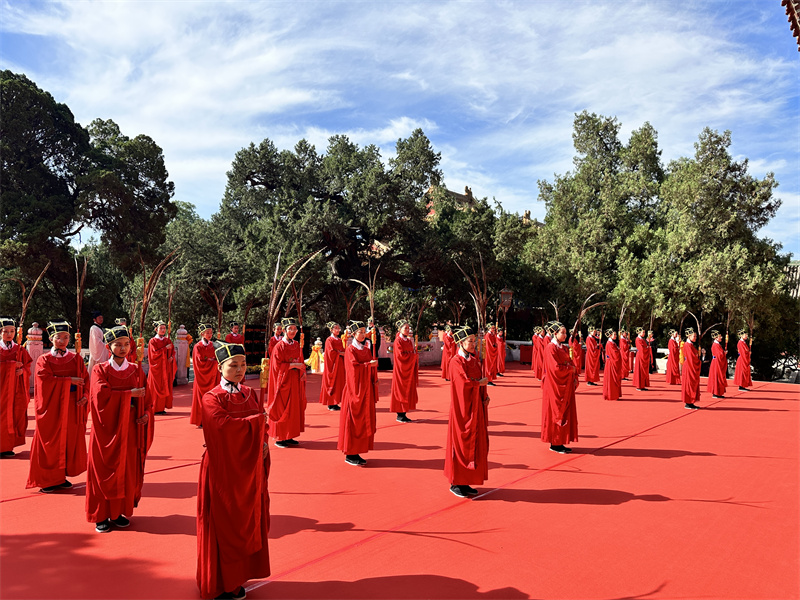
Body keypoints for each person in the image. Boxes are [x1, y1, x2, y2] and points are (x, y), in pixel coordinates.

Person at [197, 343, 270, 600]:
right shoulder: (211, 397)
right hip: (222, 470)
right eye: (233, 365)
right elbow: (222, 427)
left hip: (248, 471)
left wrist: (263, 442)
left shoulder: (250, 393)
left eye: (242, 364)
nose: (239, 370)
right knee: (222, 523)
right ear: (220, 368)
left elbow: (262, 428)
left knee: (245, 521)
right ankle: (218, 583)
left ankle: (238, 577)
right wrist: (259, 422)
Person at [86, 325, 152, 533]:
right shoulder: (101, 369)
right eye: (118, 345)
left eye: (126, 344)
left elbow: (147, 398)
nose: (123, 348)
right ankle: (102, 515)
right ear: (109, 347)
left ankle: (120, 511)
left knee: (127, 467)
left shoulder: (135, 369)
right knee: (104, 468)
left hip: (131, 428)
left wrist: (146, 415)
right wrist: (129, 395)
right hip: (108, 429)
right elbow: (99, 398)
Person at [27, 321, 89, 493]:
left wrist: (84, 396)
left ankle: (61, 476)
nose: (62, 340)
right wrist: (69, 381)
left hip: (70, 407)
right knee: (51, 441)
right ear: (51, 338)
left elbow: (86, 380)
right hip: (52, 408)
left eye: (66, 337)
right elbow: (44, 382)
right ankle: (47, 480)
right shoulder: (44, 360)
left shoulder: (75, 359)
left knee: (67, 440)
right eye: (58, 337)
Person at [445, 326, 489, 498]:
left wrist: (484, 396)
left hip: (476, 406)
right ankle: (456, 482)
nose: (473, 344)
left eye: (474, 341)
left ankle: (466, 481)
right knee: (461, 443)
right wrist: (479, 385)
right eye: (470, 341)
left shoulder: (473, 360)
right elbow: (463, 384)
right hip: (462, 410)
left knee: (475, 443)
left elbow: (479, 380)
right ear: (461, 343)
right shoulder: (456, 362)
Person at [338, 321, 378, 466]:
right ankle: (350, 453)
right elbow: (353, 371)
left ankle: (358, 451)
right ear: (354, 334)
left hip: (366, 390)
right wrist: (369, 365)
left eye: (363, 331)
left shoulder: (366, 349)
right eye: (360, 332)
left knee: (363, 421)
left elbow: (369, 367)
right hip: (355, 391)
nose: (363, 334)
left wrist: (373, 373)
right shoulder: (350, 350)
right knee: (354, 421)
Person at [267, 317, 306, 448]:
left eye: (295, 329)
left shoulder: (296, 345)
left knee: (293, 408)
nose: (293, 331)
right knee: (283, 408)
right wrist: (292, 365)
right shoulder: (279, 346)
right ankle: (280, 437)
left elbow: (301, 361)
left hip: (294, 381)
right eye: (290, 329)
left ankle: (289, 435)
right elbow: (277, 366)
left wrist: (302, 370)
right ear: (284, 330)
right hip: (283, 382)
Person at [541, 322, 578, 454]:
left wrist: (573, 372)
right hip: (555, 386)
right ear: (555, 333)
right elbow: (555, 368)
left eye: (565, 332)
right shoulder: (551, 348)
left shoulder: (562, 347)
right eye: (562, 332)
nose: (565, 335)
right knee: (555, 413)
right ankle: (555, 443)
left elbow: (569, 362)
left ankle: (560, 441)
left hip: (564, 384)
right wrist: (570, 369)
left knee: (564, 413)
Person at [0, 317, 32, 457]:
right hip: (1, 390)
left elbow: (28, 365)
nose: (9, 334)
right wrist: (12, 365)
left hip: (15, 390)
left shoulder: (19, 349)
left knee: (14, 415)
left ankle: (8, 446)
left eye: (12, 331)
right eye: (6, 331)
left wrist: (22, 371)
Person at [191, 324, 221, 427]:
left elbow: (217, 357)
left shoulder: (213, 345)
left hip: (212, 376)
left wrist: (215, 361)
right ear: (202, 334)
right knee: (201, 398)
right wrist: (213, 363)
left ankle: (212, 418)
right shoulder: (198, 346)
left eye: (211, 333)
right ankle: (201, 420)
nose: (210, 335)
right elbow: (199, 362)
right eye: (207, 333)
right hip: (202, 377)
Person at [390, 320, 419, 423]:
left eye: (408, 328)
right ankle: (400, 414)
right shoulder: (398, 341)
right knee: (401, 390)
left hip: (408, 369)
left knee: (408, 390)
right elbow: (400, 356)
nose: (407, 330)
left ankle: (404, 413)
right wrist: (413, 356)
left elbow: (410, 353)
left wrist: (414, 355)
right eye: (405, 328)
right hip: (401, 370)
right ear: (399, 329)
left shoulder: (408, 341)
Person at [147, 320, 176, 415]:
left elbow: (172, 351)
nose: (163, 330)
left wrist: (171, 356)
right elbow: (153, 354)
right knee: (155, 387)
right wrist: (165, 349)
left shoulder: (167, 340)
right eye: (161, 328)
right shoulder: (152, 341)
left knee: (165, 385)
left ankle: (161, 407)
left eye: (164, 328)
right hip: (157, 368)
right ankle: (154, 407)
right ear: (156, 329)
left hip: (165, 368)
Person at [319, 322, 345, 411]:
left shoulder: (339, 340)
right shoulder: (329, 340)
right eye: (336, 328)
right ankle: (330, 403)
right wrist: (340, 353)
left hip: (339, 364)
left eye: (339, 328)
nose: (338, 330)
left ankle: (336, 402)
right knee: (331, 383)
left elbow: (342, 349)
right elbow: (330, 353)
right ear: (331, 330)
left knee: (339, 383)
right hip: (332, 365)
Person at [681, 328, 701, 410]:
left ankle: (691, 402)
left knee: (692, 383)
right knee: (689, 383)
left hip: (691, 365)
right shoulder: (687, 345)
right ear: (689, 336)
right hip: (689, 366)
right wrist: (698, 359)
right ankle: (688, 402)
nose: (695, 338)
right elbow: (691, 357)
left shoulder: (691, 345)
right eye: (694, 336)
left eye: (696, 336)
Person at [707, 330, 727, 398]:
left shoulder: (717, 344)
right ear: (715, 338)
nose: (721, 337)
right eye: (719, 336)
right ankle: (715, 393)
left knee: (718, 377)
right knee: (717, 377)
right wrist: (724, 353)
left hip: (717, 362)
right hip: (716, 363)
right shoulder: (715, 345)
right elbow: (719, 355)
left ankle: (718, 392)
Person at [602, 328, 622, 401]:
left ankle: (615, 394)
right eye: (614, 334)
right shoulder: (610, 344)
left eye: (616, 334)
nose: (616, 336)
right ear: (610, 335)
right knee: (612, 379)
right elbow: (614, 354)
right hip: (611, 363)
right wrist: (619, 351)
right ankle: (612, 395)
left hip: (612, 362)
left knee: (614, 379)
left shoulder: (613, 343)